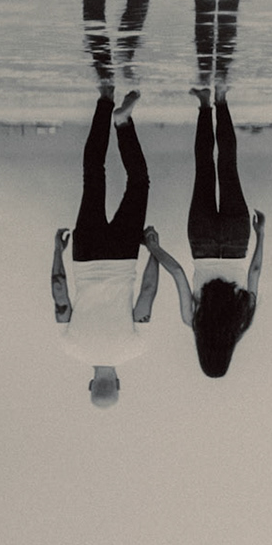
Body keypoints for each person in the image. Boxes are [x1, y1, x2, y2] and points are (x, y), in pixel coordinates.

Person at [49, 88, 165, 406]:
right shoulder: (69, 346)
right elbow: (60, 292)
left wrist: (153, 249)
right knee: (93, 176)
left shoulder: (134, 348)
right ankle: (105, 98)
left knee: (139, 182)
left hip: (124, 256)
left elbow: (147, 294)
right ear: (90, 384)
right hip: (84, 255)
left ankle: (123, 122)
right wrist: (57, 252)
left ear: (118, 383)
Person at [147, 91, 264, 377]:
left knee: (228, 166)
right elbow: (175, 272)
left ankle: (221, 97)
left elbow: (256, 272)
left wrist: (261, 234)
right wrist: (153, 247)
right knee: (204, 168)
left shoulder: (243, 322)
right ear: (202, 354)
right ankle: (203, 103)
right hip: (202, 241)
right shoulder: (193, 321)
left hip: (237, 240)